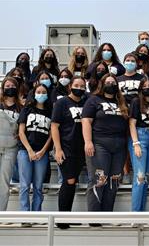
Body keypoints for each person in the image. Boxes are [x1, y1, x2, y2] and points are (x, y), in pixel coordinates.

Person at [82, 73, 128, 216]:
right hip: (100, 144)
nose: (111, 85)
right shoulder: (93, 100)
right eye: (107, 82)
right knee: (99, 180)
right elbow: (86, 121)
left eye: (113, 82)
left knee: (113, 182)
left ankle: (107, 216)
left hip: (119, 146)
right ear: (102, 84)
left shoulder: (122, 102)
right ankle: (95, 218)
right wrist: (88, 142)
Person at [51, 76, 87, 229]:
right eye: (76, 85)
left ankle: (67, 215)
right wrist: (58, 149)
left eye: (82, 86)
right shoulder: (62, 102)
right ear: (70, 86)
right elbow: (54, 126)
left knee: (73, 182)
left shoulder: (86, 102)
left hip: (81, 149)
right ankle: (61, 218)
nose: (79, 87)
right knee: (69, 180)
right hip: (66, 148)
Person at [17, 83, 52, 217]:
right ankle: (25, 215)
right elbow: (21, 132)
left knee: (38, 186)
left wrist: (43, 151)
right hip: (25, 152)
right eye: (39, 92)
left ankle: (36, 215)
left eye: (44, 92)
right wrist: (30, 151)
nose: (41, 94)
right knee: (25, 185)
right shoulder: (27, 109)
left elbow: (51, 135)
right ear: (34, 93)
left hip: (42, 153)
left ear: (47, 95)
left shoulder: (50, 111)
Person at [128, 77, 149, 211]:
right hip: (140, 136)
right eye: (144, 86)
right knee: (139, 177)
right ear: (141, 88)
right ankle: (135, 214)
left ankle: (141, 212)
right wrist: (136, 143)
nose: (147, 88)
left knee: (145, 177)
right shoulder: (136, 101)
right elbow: (132, 123)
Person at [117, 53, 144, 184]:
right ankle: (126, 172)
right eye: (127, 60)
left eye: (132, 60)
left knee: (136, 141)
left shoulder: (142, 78)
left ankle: (137, 171)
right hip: (122, 114)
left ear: (137, 63)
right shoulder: (118, 79)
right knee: (123, 144)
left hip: (137, 114)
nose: (130, 62)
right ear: (123, 62)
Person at [0, 77, 21, 211]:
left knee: (4, 183)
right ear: (3, 88)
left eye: (12, 86)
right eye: (7, 86)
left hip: (11, 149)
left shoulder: (21, 107)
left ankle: (1, 214)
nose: (9, 88)